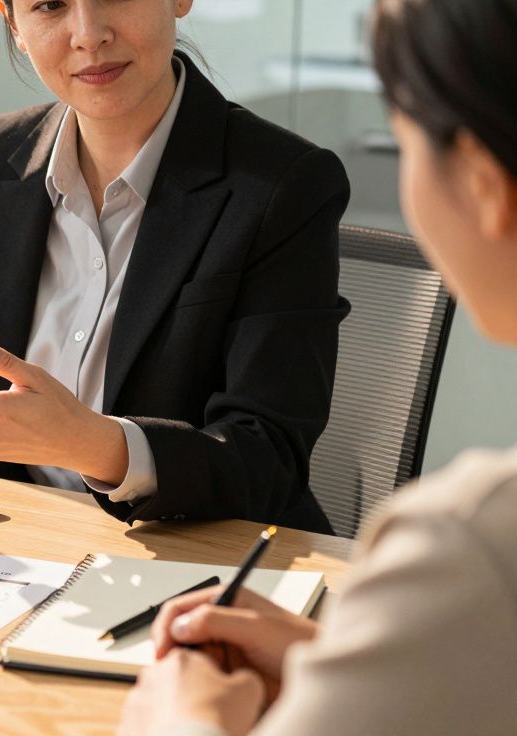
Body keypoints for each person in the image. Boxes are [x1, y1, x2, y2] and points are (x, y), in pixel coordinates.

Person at [118, 0, 517, 734]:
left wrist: (181, 719)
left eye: (403, 138)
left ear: (485, 188)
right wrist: (351, 657)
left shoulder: (474, 540)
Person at [0, 0, 349, 533]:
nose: (88, 34)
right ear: (12, 20)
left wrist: (93, 445)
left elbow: (267, 458)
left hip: (201, 565)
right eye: (50, 5)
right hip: (32, 552)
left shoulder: (285, 185)